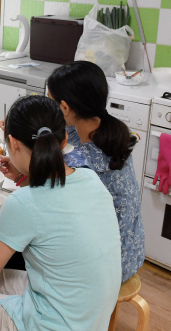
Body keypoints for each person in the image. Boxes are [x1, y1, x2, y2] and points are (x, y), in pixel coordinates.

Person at [0, 95, 121, 331]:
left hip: (51, 325)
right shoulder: (90, 178)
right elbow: (48, 198)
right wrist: (25, 177)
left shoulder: (23, 202)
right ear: (64, 139)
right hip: (91, 318)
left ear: (13, 143)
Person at [48, 61, 145, 283]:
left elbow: (47, 198)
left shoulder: (80, 162)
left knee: (30, 242)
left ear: (64, 108)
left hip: (107, 266)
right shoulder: (111, 129)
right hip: (132, 252)